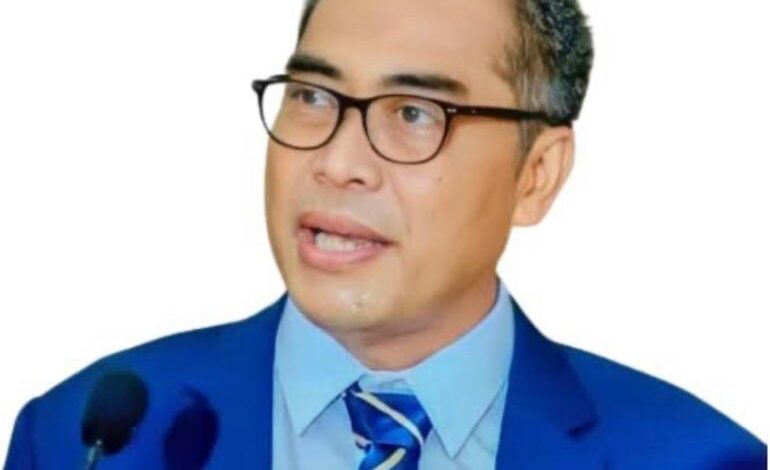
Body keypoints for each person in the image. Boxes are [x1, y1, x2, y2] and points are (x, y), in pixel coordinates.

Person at [3, 0, 767, 468]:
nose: (336, 163)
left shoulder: (695, 459)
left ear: (536, 174)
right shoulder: (82, 439)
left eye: (414, 113)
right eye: (312, 95)